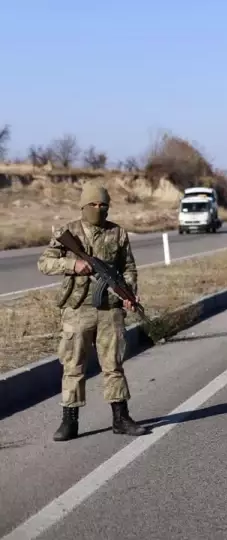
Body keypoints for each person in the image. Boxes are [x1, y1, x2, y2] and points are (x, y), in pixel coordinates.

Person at [37, 183, 150, 441]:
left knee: (113, 365)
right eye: (93, 205)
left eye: (103, 206)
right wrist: (73, 264)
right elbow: (44, 263)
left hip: (110, 309)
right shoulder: (69, 232)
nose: (98, 210)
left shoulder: (118, 233)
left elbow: (129, 268)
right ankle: (69, 421)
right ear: (83, 206)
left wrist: (128, 294)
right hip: (77, 309)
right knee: (73, 365)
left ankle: (121, 418)